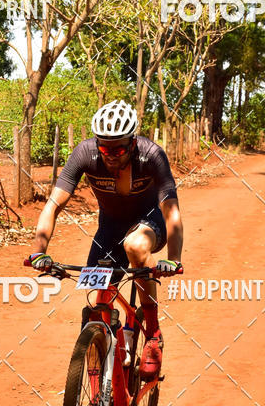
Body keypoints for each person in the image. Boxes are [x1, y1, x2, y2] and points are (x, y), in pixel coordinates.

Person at [27, 99, 183, 381]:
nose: (110, 154)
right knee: (96, 307)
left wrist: (173, 259)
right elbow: (53, 205)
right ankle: (96, 404)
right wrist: (39, 252)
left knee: (135, 246)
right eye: (104, 147)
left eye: (119, 148)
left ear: (133, 143)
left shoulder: (151, 155)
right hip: (109, 228)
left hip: (149, 223)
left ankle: (153, 332)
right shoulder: (85, 153)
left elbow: (171, 211)